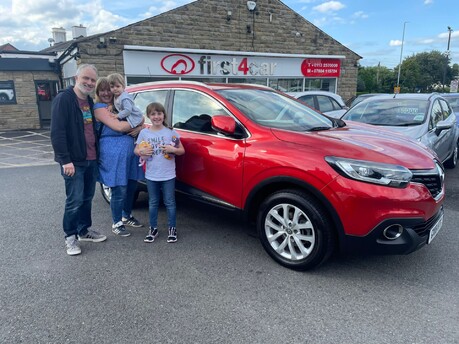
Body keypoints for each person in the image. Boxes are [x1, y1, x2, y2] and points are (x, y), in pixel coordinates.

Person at [50, 64, 107, 256]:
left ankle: (83, 231)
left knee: (87, 198)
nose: (89, 83)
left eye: (92, 80)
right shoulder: (64, 99)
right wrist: (65, 160)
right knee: (74, 200)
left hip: (90, 159)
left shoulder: (89, 102)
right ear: (76, 78)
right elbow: (57, 133)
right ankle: (70, 237)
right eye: (86, 78)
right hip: (73, 162)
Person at [94, 77, 145, 237]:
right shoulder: (99, 108)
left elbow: (139, 116)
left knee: (131, 186)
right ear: (97, 92)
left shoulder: (119, 104)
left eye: (108, 89)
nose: (106, 93)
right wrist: (140, 123)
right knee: (118, 188)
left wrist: (141, 125)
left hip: (130, 152)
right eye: (102, 90)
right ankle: (117, 222)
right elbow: (118, 126)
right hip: (112, 152)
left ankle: (126, 215)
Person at [134, 102, 185, 243]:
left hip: (168, 174)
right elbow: (136, 150)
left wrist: (173, 150)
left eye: (159, 113)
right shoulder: (144, 133)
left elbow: (181, 150)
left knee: (169, 202)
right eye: (153, 114)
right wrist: (141, 151)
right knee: (153, 202)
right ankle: (153, 228)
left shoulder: (171, 132)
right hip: (151, 174)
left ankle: (172, 228)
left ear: (163, 115)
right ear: (149, 116)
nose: (156, 116)